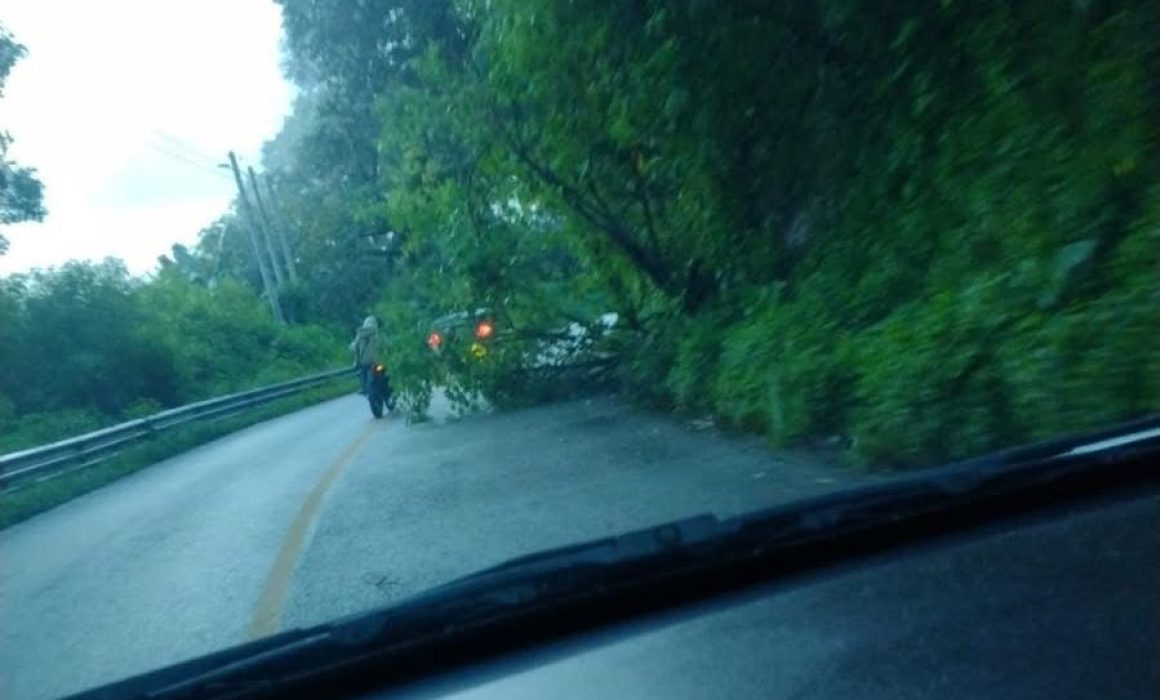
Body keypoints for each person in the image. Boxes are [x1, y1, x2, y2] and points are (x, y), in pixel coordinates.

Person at [350, 315, 380, 395]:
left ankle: (364, 389)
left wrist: (357, 358)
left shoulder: (360, 335)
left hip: (363, 362)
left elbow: (354, 347)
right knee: (381, 374)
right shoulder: (376, 335)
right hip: (376, 363)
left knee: (361, 374)